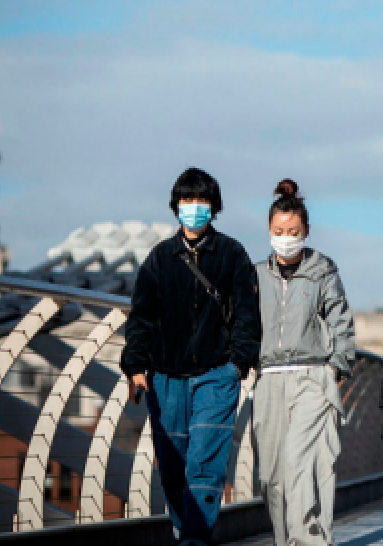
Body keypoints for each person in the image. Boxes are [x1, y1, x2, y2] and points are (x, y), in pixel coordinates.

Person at [120, 167, 261, 546]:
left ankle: (194, 541)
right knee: (172, 466)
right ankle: (186, 530)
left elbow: (248, 313)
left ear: (213, 206)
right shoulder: (160, 258)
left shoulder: (232, 254)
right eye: (186, 201)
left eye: (200, 201)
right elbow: (142, 317)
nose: (193, 208)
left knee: (205, 461)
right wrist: (135, 367)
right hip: (165, 376)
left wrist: (238, 364)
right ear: (175, 206)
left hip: (217, 373)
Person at [251, 179, 356, 546]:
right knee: (272, 474)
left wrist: (338, 366)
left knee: (305, 463)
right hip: (268, 379)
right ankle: (286, 540)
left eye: (293, 231)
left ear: (306, 231)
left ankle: (311, 540)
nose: (286, 237)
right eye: (279, 231)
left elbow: (341, 320)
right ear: (268, 231)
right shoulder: (256, 275)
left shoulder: (322, 269)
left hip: (312, 376)